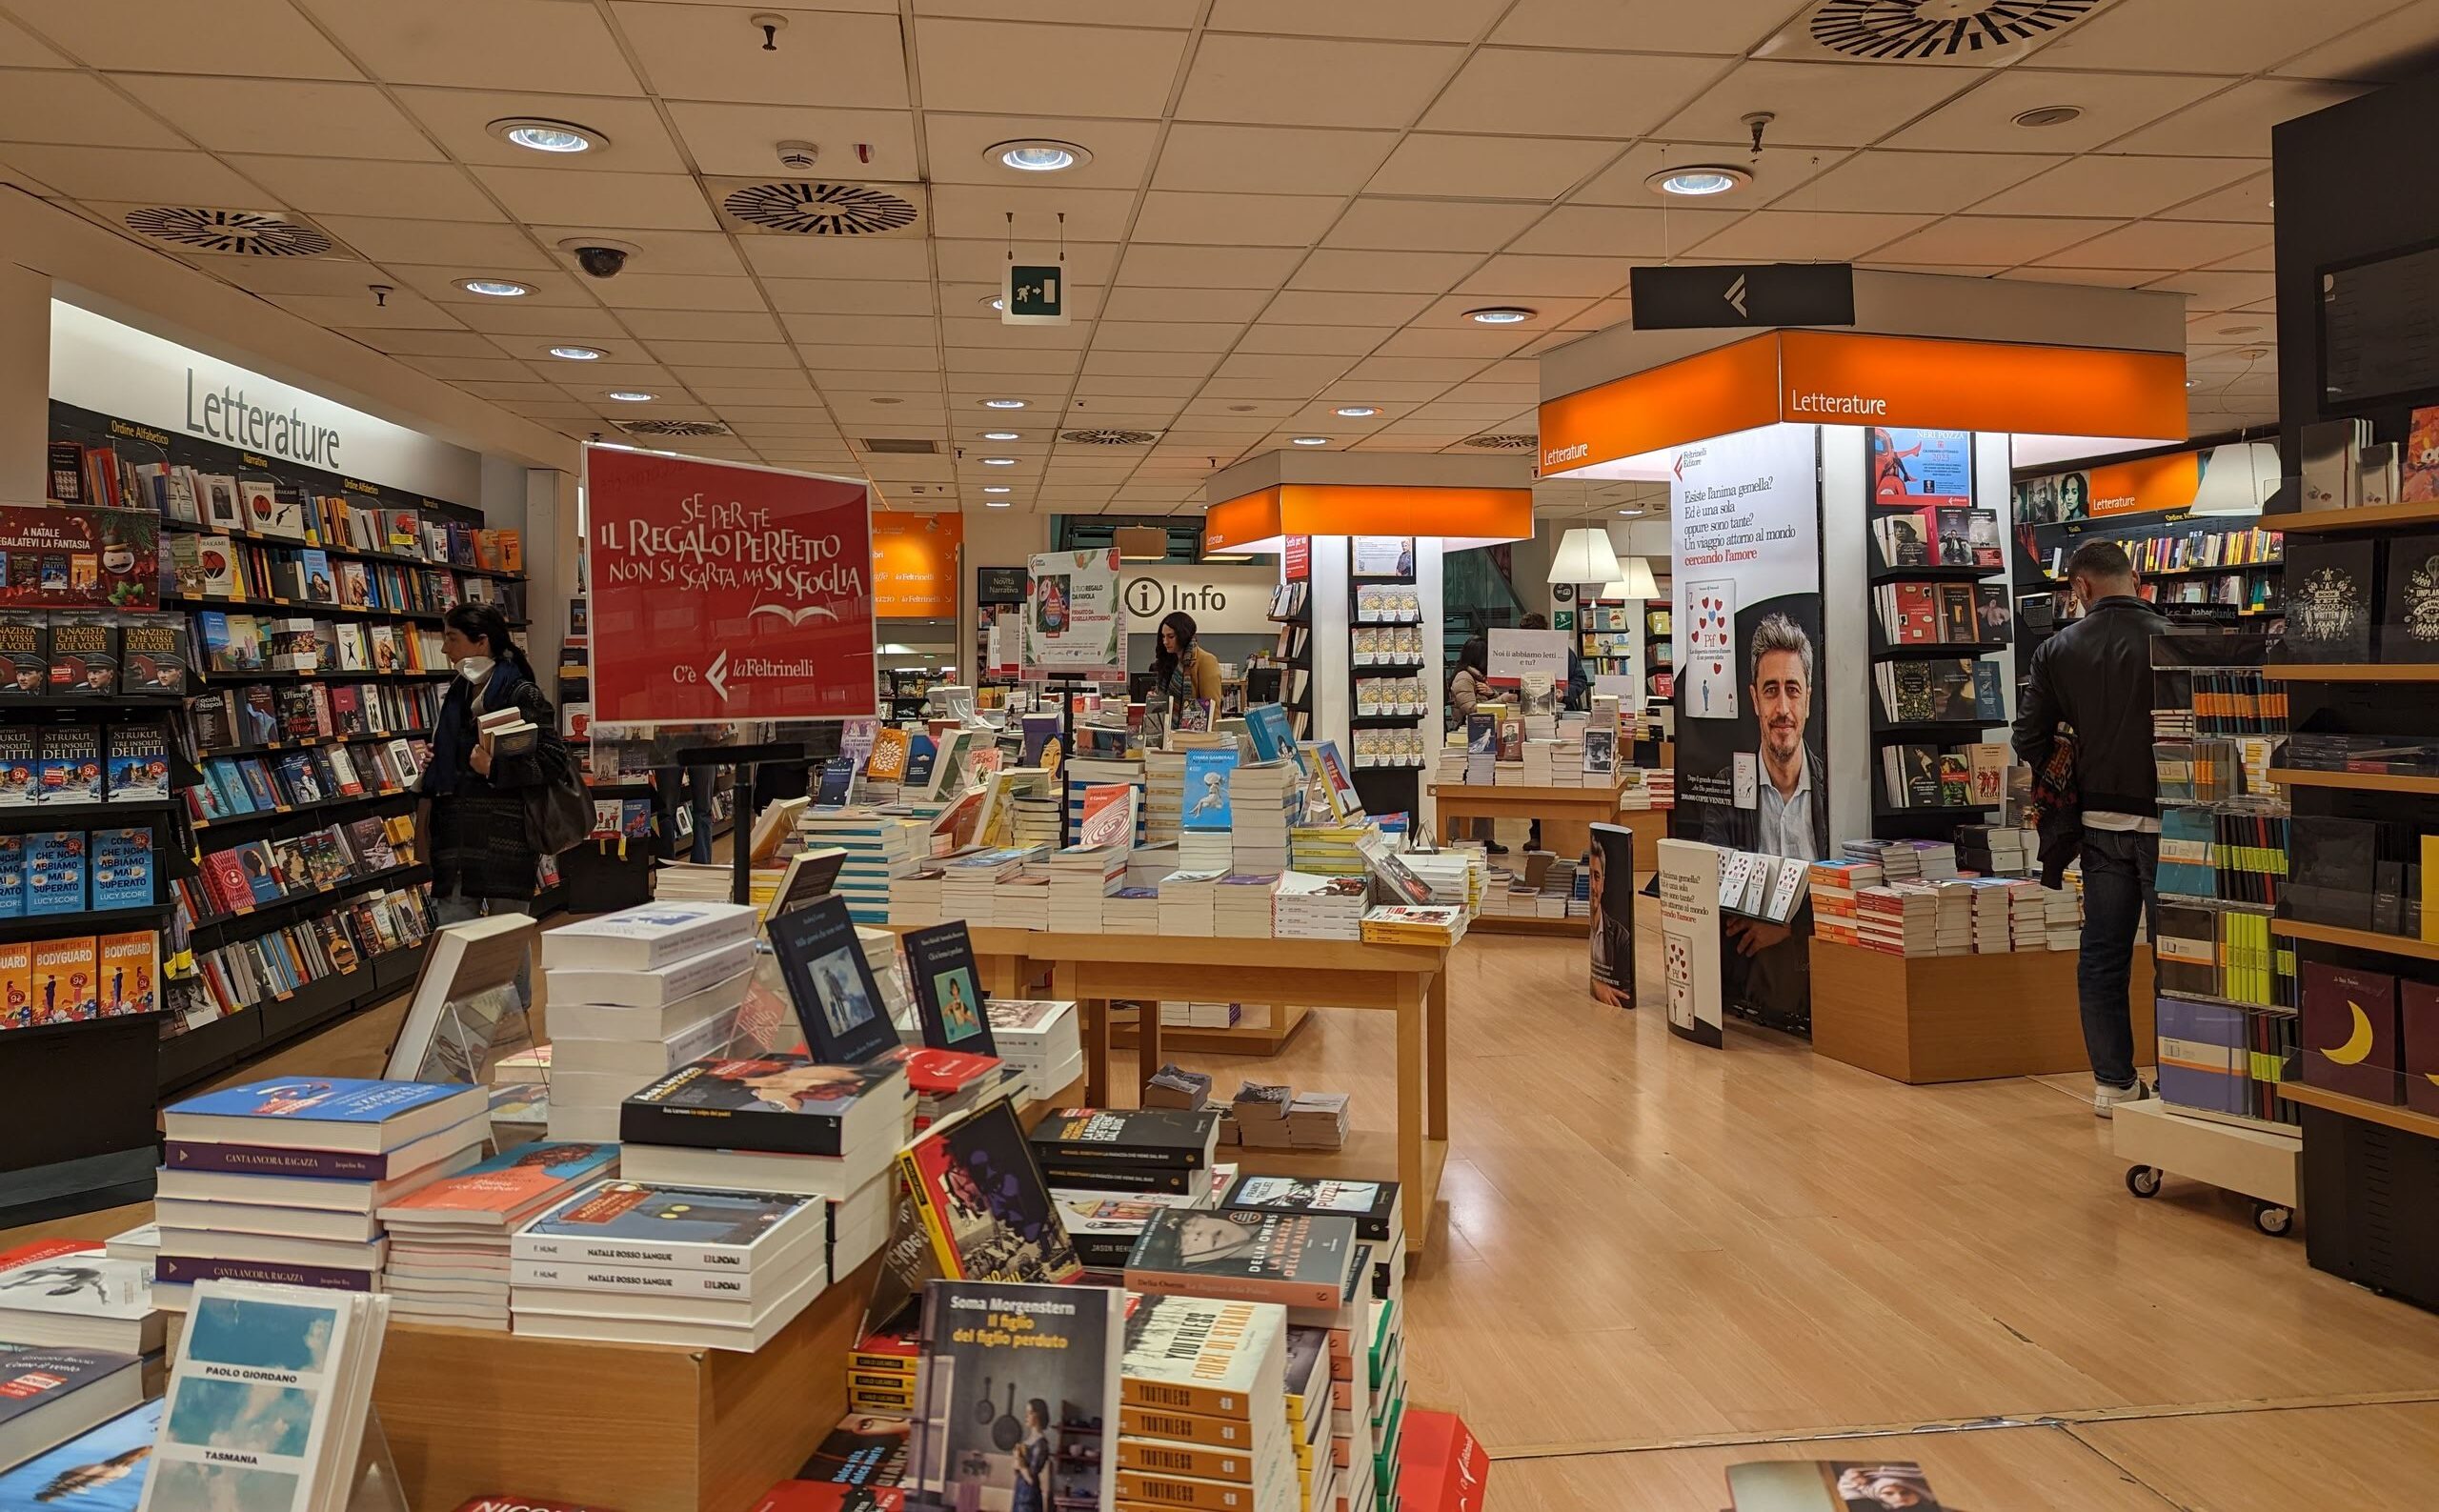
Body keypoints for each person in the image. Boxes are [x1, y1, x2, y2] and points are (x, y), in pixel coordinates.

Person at [2014, 538, 2166, 1117]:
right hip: (2167, 822)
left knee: (2103, 954)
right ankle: (2184, 1080)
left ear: (2080, 587)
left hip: (2099, 825)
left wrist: (2069, 750)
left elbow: (2029, 737)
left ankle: (2112, 1082)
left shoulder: (2056, 652)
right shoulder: (2171, 639)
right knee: (2175, 958)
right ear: (2134, 577)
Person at [1700, 613, 1831, 1024]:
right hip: (1752, 1006)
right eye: (1771, 691)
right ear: (1754, 699)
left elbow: (1855, 890)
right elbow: (1717, 900)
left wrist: (1790, 926)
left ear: (1808, 698)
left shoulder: (1835, 789)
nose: (1783, 709)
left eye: (1793, 691)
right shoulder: (1724, 791)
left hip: (1833, 985)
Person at [418, 602, 558, 926]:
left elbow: (553, 759)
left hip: (504, 843)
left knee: (505, 943)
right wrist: (438, 756)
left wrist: (494, 769)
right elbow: (453, 755)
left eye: (452, 639)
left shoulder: (521, 693)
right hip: (454, 839)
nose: (444, 648)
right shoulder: (457, 691)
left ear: (481, 642)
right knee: (455, 941)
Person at [1445, 637, 1505, 854]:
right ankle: (1456, 837)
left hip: (1480, 739)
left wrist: (1493, 694)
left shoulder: (1477, 678)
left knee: (1483, 786)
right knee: (1464, 788)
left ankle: (1485, 837)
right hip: (1466, 740)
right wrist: (1500, 699)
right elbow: (1471, 709)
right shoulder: (1464, 678)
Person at [1152, 610, 1221, 707]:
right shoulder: (1169, 661)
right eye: (1163, 637)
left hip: (1194, 721)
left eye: (1171, 637)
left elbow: (1211, 707)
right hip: (1167, 721)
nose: (1165, 642)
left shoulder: (1206, 661)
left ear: (1183, 635)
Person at [1011, 1399, 1053, 1512]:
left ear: (1038, 1416)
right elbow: (1018, 1471)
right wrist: (1016, 1459)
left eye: (1029, 1413)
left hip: (1029, 1498)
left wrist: (1020, 1464)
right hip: (1020, 1493)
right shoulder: (1027, 1441)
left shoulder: (1041, 1444)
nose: (1026, 1417)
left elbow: (1031, 1479)